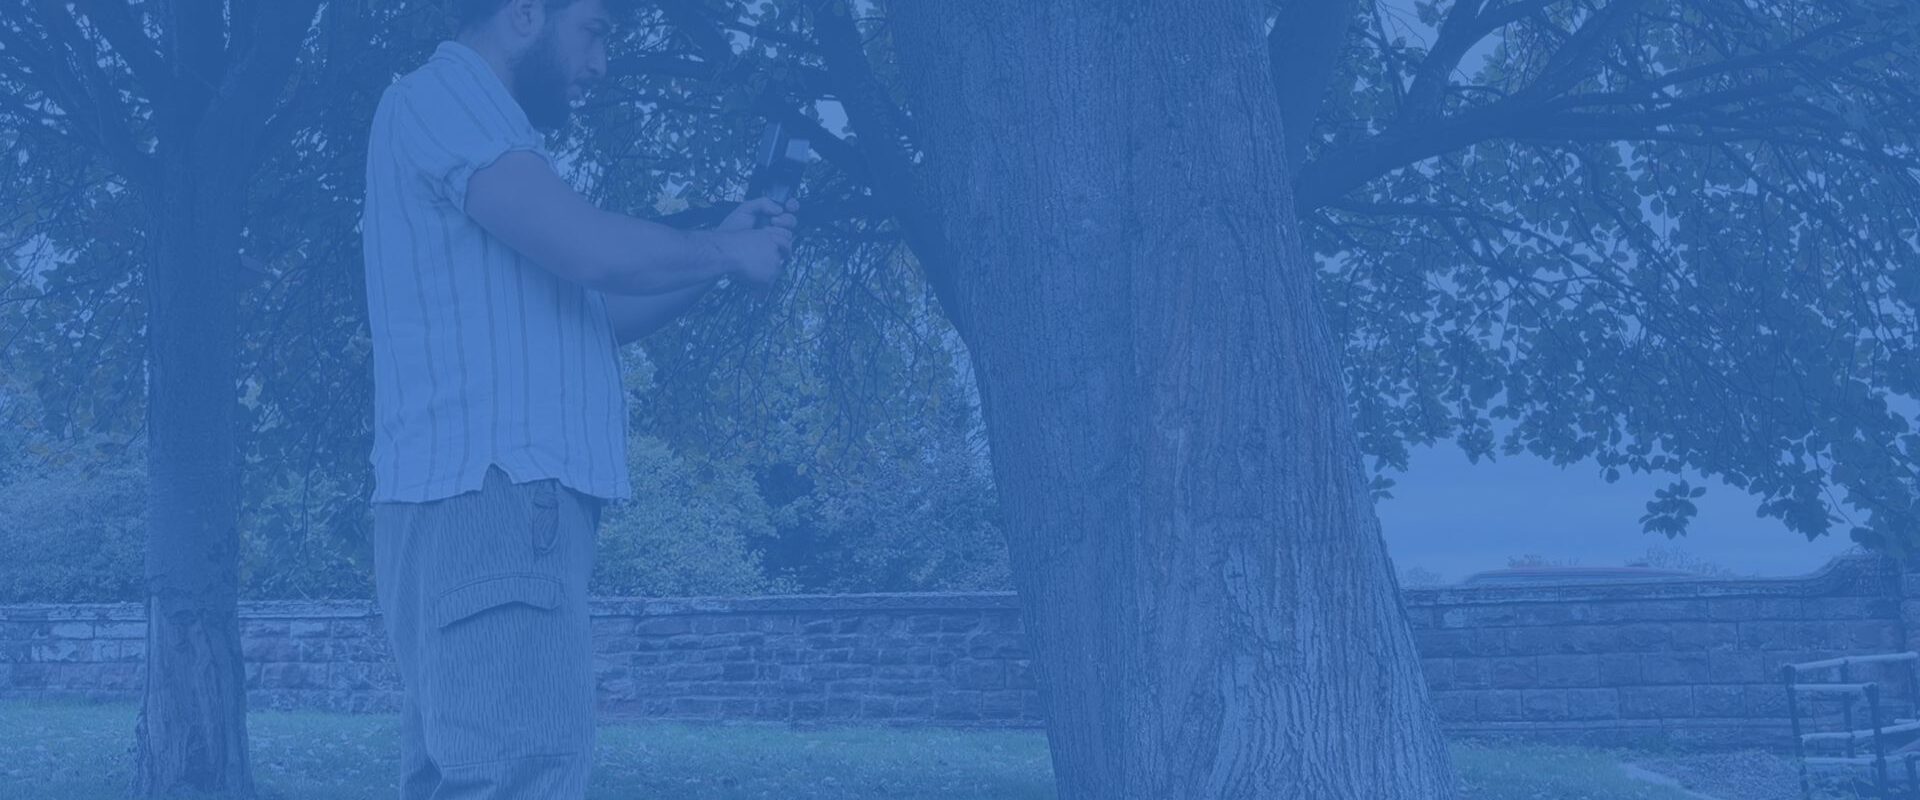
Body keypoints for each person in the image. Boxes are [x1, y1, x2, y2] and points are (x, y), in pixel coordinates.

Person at [360, 0, 797, 796]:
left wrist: (717, 255)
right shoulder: (450, 98)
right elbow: (596, 252)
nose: (600, 64)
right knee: (523, 775)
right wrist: (727, 247)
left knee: (465, 777)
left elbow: (598, 310)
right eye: (594, 31)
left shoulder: (471, 135)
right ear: (527, 12)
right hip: (495, 502)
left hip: (465, 507)